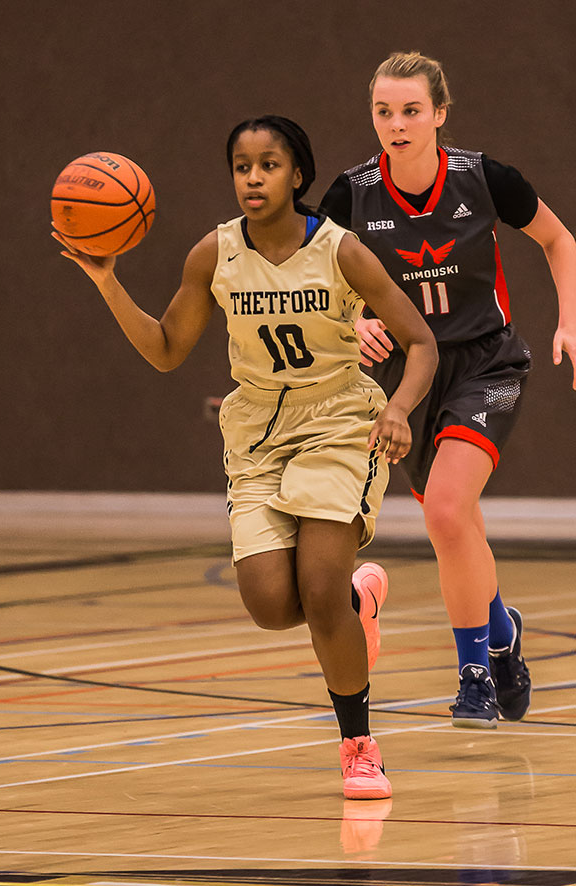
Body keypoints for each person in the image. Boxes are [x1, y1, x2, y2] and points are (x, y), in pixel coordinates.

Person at [52, 115, 438, 797]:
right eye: (241, 166)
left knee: (317, 594)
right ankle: (357, 603)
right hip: (256, 431)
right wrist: (106, 280)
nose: (252, 178)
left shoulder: (341, 251)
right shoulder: (213, 254)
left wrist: (398, 408)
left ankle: (358, 745)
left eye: (267, 165)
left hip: (338, 423)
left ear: (297, 174)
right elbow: (169, 350)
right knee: (268, 604)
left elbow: (420, 342)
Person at [320, 52, 576, 728]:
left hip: (486, 364)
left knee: (443, 513)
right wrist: (355, 319)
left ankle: (473, 678)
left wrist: (569, 322)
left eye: (410, 110)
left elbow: (558, 240)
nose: (396, 124)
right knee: (456, 527)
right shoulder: (351, 194)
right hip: (409, 375)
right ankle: (502, 635)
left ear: (438, 113)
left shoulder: (483, 178)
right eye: (383, 111)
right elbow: (319, 282)